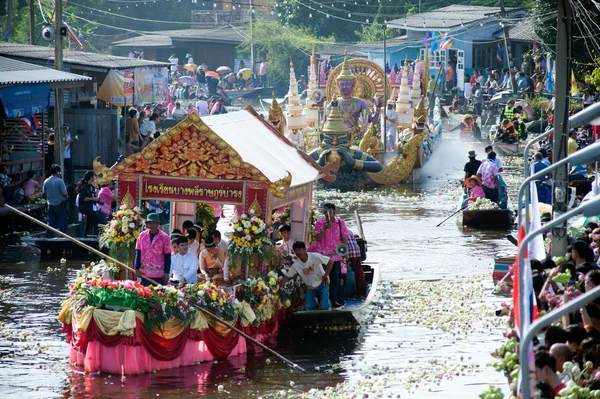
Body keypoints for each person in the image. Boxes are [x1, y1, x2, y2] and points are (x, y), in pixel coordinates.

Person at [280, 241, 333, 311]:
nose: (298, 252)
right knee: (307, 307)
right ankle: (317, 302)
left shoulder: (314, 256)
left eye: (299, 250)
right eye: (296, 251)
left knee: (324, 307)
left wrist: (326, 275)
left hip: (322, 283)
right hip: (311, 287)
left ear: (305, 250)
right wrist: (278, 288)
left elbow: (331, 261)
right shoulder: (296, 265)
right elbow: (287, 277)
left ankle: (326, 302)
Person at [313, 203, 348, 308]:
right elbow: (317, 238)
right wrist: (324, 229)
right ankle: (322, 301)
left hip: (336, 255)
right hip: (323, 256)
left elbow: (344, 239)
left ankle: (333, 300)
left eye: (330, 212)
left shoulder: (340, 223)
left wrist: (345, 252)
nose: (327, 214)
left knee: (334, 280)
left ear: (334, 212)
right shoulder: (319, 223)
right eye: (325, 212)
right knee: (323, 279)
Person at [134, 213, 172, 286]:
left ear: (158, 224)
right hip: (145, 273)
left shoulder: (164, 237)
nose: (152, 225)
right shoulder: (142, 236)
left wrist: (167, 272)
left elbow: (168, 256)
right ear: (147, 224)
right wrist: (136, 268)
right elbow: (138, 253)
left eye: (154, 223)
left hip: (159, 274)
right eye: (150, 223)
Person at [43, 164, 68, 237]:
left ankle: (49, 238)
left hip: (50, 204)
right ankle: (63, 237)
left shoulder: (46, 181)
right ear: (57, 172)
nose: (60, 174)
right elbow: (65, 193)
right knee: (62, 222)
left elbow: (44, 193)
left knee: (50, 223)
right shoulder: (59, 181)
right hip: (60, 204)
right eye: (59, 172)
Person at [77, 171, 99, 237]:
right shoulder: (84, 187)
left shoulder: (91, 187)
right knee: (87, 227)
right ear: (91, 177)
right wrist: (92, 199)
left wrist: (96, 189)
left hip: (91, 209)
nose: (95, 178)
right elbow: (83, 198)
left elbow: (95, 196)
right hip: (86, 210)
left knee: (94, 225)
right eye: (93, 176)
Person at [346, 230, 367, 298]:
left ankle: (356, 293)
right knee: (358, 273)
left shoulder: (338, 231)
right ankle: (362, 292)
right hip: (356, 252)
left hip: (349, 253)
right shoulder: (349, 230)